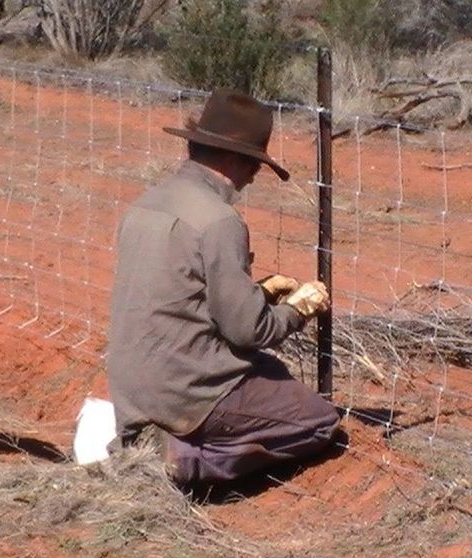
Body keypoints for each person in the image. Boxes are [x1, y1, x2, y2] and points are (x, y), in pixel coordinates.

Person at [107, 88, 340, 485]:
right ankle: (183, 460)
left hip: (131, 390)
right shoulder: (220, 220)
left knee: (270, 373)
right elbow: (248, 331)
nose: (254, 176)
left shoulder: (147, 202)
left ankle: (151, 438)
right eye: (256, 165)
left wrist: (260, 293)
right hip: (185, 389)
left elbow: (185, 296)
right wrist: (298, 309)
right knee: (320, 421)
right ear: (234, 159)